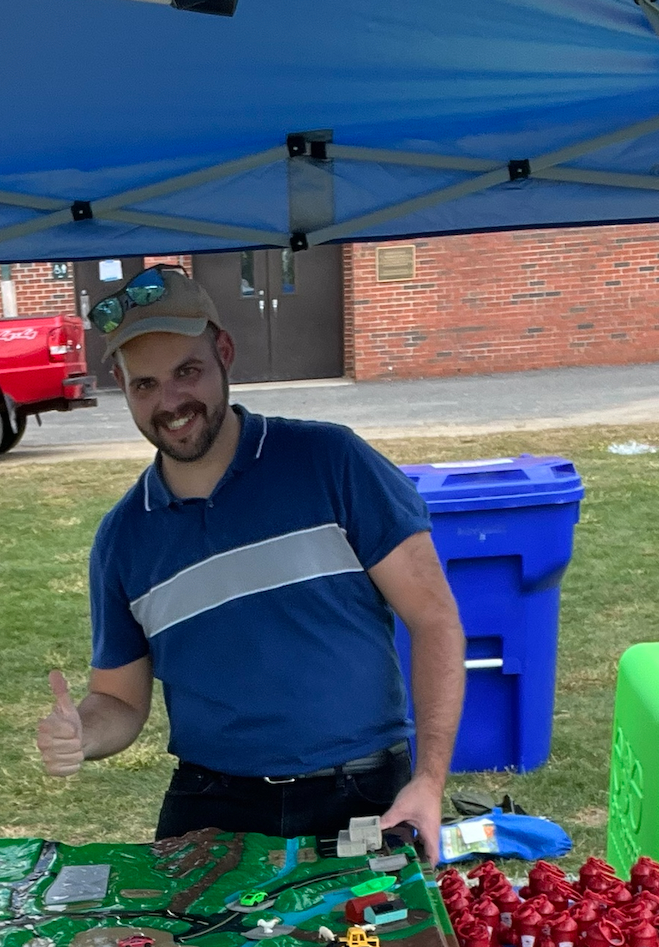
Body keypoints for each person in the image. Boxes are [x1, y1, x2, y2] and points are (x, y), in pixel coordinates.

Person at [33, 266, 466, 844]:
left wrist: (430, 779)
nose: (171, 402)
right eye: (145, 385)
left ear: (224, 353)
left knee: (378, 938)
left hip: (359, 791)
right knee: (178, 940)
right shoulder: (123, 538)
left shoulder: (330, 462)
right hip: (212, 802)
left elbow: (434, 618)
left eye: (187, 372)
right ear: (121, 384)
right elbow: (119, 699)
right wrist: (81, 733)